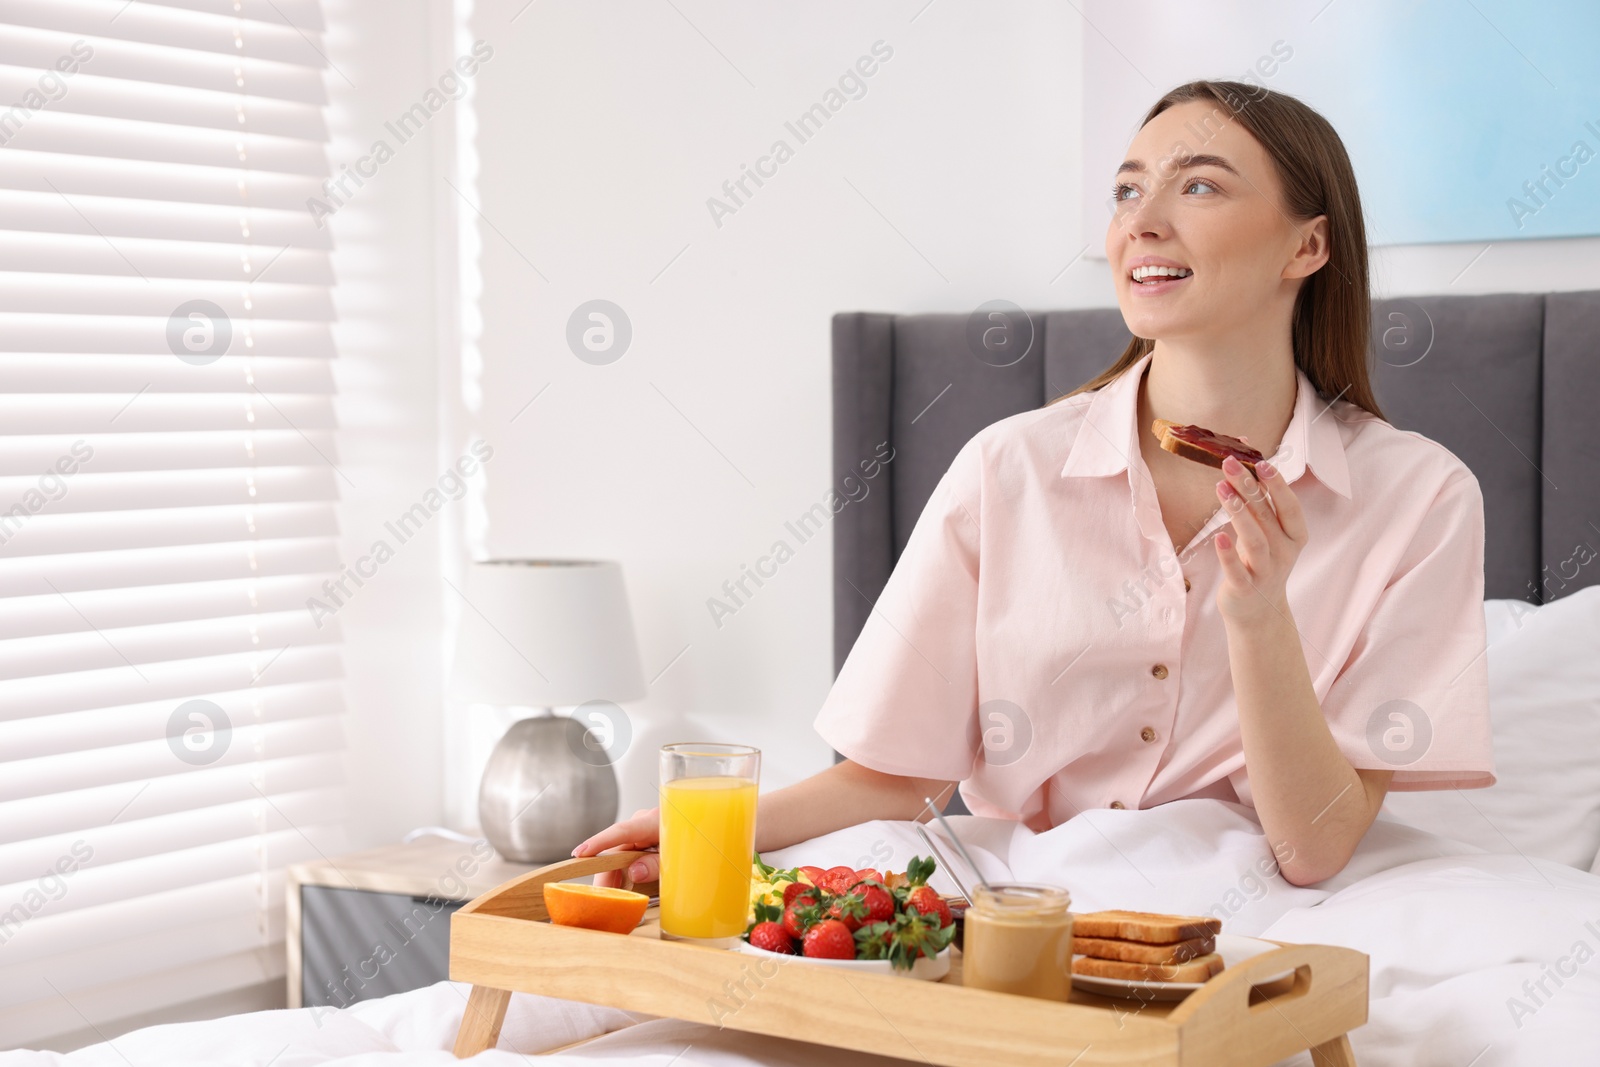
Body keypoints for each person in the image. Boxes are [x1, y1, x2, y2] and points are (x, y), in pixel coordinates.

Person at [573, 79, 1495, 890]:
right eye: (1128, 189)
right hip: (1017, 903)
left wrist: (1259, 622)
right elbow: (902, 776)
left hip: (1250, 916)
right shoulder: (1007, 468)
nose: (1142, 219)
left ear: (1308, 247)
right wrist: (707, 832)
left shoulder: (1420, 499)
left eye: (1200, 185)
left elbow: (1316, 844)